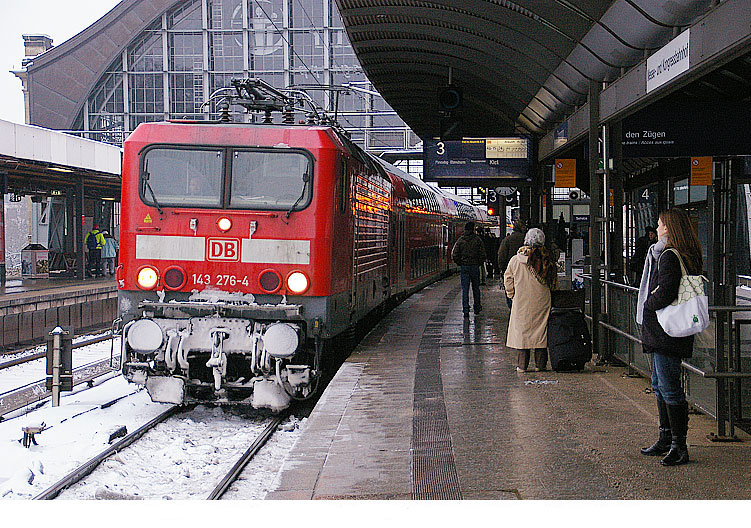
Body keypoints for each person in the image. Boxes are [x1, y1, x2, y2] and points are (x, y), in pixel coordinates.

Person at [636, 209, 702, 467]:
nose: (658, 226)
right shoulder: (684, 252)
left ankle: (678, 445)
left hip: (667, 331)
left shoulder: (669, 256)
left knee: (668, 386)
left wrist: (648, 304)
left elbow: (665, 290)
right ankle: (666, 438)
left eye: (662, 223)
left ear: (670, 228)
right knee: (659, 383)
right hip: (668, 331)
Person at [504, 228, 558, 372]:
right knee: (540, 333)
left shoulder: (516, 260)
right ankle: (540, 365)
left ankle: (522, 366)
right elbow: (553, 280)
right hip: (542, 300)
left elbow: (508, 279)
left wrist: (511, 294)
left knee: (523, 333)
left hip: (521, 300)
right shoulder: (546, 258)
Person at [451, 221, 486, 318]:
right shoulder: (478, 240)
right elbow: (483, 254)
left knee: (465, 289)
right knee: (476, 288)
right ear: (473, 229)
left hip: (464, 267)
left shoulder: (460, 241)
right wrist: (478, 263)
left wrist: (460, 263)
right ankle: (477, 307)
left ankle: (465, 309)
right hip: (474, 267)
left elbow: (455, 254)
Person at [497, 220, 526, 308]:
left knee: (510, 291)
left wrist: (502, 269)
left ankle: (512, 309)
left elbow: (501, 257)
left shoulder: (507, 240)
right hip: (525, 271)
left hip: (510, 270)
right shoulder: (526, 239)